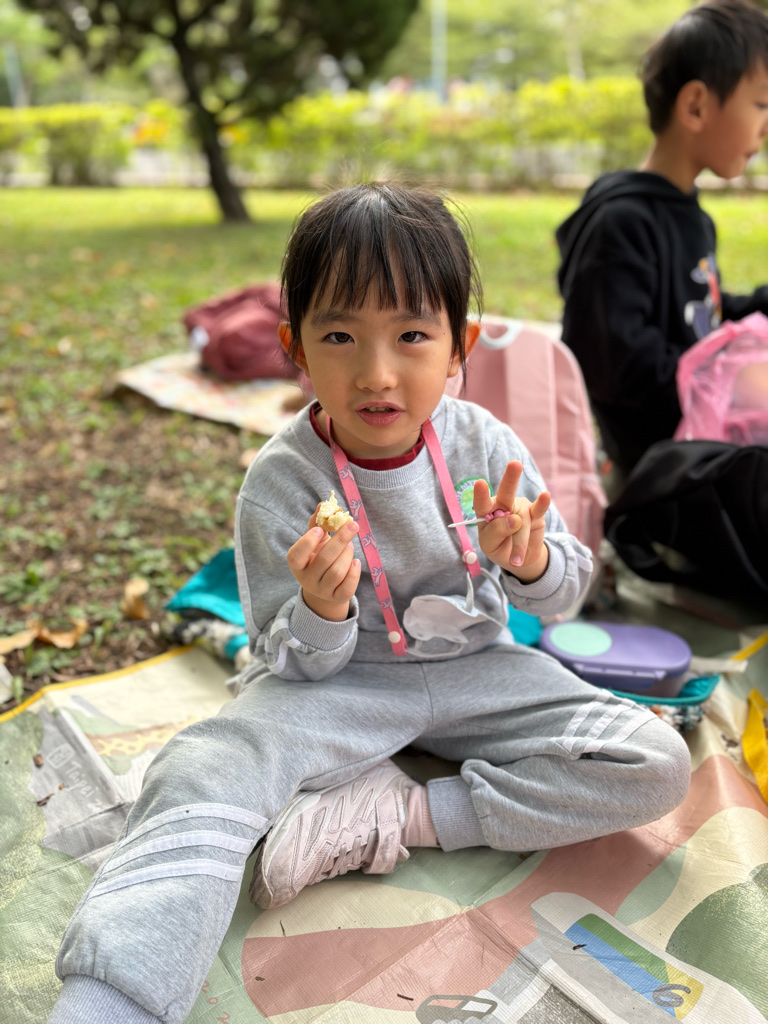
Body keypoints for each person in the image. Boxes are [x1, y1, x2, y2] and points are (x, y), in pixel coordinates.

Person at [48, 183, 691, 1024]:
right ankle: (113, 996)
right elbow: (286, 658)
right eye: (340, 336)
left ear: (458, 347)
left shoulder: (485, 444)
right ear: (295, 347)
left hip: (477, 666)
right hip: (340, 685)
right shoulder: (282, 481)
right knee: (201, 765)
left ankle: (390, 811)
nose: (377, 374)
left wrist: (530, 561)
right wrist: (322, 611)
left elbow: (566, 589)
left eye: (412, 336)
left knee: (653, 759)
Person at [556, 0, 768, 481]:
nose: (766, 125)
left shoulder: (691, 216)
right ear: (695, 106)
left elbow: (697, 315)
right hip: (661, 476)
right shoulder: (621, 223)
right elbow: (616, 366)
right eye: (761, 104)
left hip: (701, 449)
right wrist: (735, 381)